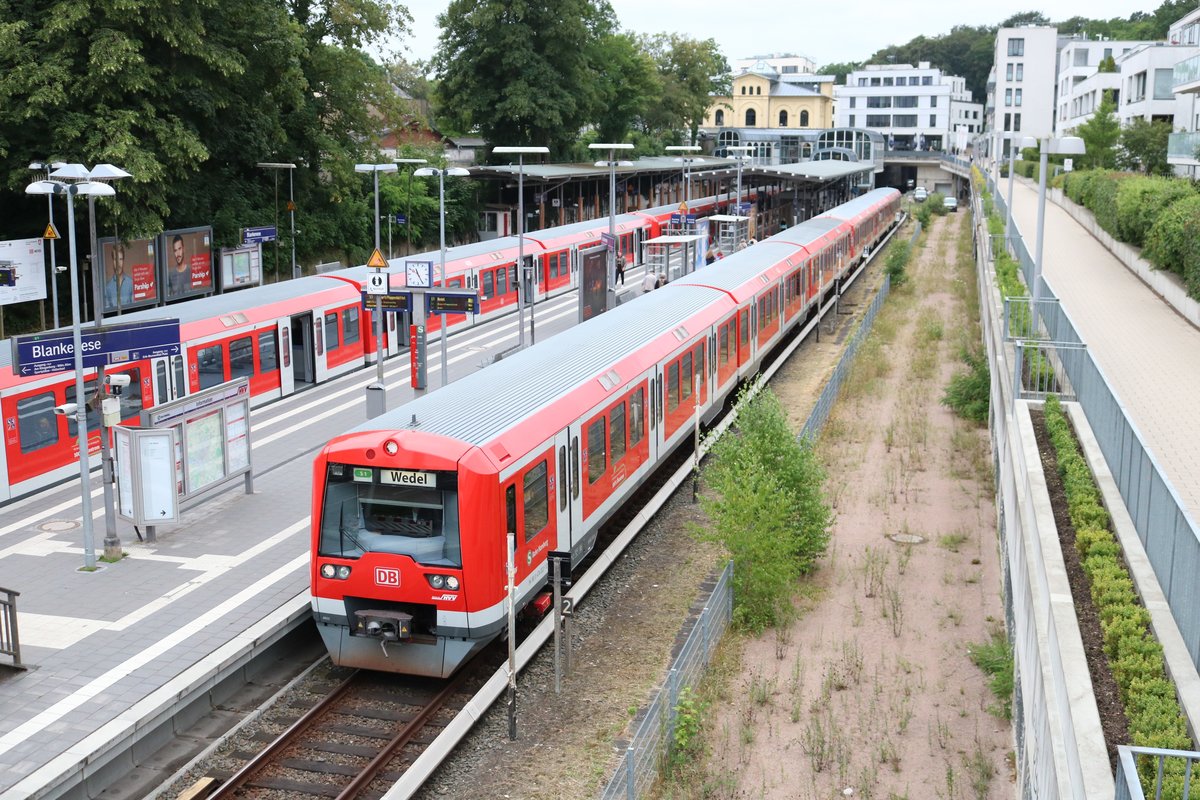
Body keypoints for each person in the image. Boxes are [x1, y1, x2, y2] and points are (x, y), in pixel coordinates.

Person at [104, 243, 133, 312]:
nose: (118, 264)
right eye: (115, 259)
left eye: (120, 259)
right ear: (112, 261)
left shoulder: (131, 283)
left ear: (123, 261)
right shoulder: (107, 287)